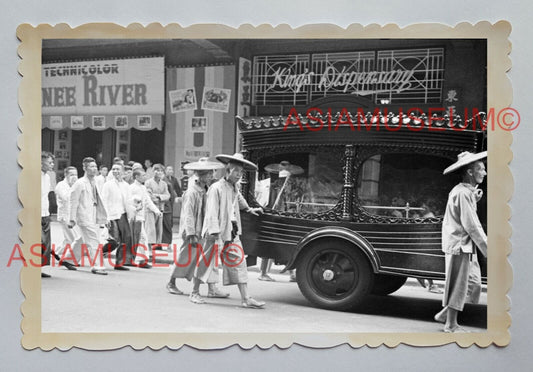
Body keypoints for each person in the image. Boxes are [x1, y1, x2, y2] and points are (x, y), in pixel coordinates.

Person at [199, 152, 266, 308]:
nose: (239, 175)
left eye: (241, 172)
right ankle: (195, 292)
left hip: (232, 229)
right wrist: (215, 232)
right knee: (207, 263)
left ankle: (246, 298)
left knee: (239, 261)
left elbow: (239, 200)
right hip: (216, 231)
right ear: (228, 171)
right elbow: (211, 212)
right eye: (236, 171)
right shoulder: (216, 188)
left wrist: (249, 209)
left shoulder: (234, 187)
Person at [434, 151, 488, 333]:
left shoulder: (465, 192)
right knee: (460, 284)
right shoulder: (463, 193)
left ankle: (445, 314)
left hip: (463, 244)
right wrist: (489, 249)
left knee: (473, 284)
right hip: (460, 244)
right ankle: (451, 324)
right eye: (481, 169)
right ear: (470, 172)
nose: (484, 173)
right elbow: (472, 225)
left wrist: (475, 198)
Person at [166, 158, 229, 303]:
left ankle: (211, 287)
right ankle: (171, 282)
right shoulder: (192, 192)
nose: (211, 177)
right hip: (193, 231)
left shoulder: (206, 189)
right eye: (208, 175)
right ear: (201, 175)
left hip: (203, 229)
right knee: (185, 257)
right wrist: (191, 234)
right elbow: (188, 215)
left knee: (203, 259)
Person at [68, 157, 108, 275]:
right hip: (83, 215)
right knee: (93, 239)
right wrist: (72, 219)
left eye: (95, 166)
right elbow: (73, 201)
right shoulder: (80, 183)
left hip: (93, 214)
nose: (94, 169)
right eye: (91, 167)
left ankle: (68, 259)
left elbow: (99, 200)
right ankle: (97, 266)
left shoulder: (95, 182)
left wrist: (105, 217)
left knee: (82, 239)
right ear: (84, 168)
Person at [102, 163, 134, 269]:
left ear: (123, 172)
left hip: (123, 214)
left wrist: (132, 213)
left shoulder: (126, 186)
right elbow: (104, 201)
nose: (115, 171)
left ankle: (119, 263)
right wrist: (105, 217)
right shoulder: (108, 184)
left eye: (118, 169)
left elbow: (129, 201)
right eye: (113, 169)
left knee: (126, 239)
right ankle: (100, 252)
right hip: (112, 215)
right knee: (114, 240)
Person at [129, 168, 162, 268]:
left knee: (140, 238)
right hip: (134, 217)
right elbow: (129, 201)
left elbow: (147, 201)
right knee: (140, 238)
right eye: (143, 175)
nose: (145, 177)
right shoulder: (132, 188)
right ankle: (140, 260)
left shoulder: (143, 188)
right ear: (136, 177)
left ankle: (138, 259)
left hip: (141, 217)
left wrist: (156, 211)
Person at [54, 166, 82, 265]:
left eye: (76, 175)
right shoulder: (61, 185)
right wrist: (74, 188)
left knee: (68, 238)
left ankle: (56, 252)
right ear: (66, 175)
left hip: (72, 215)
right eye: (72, 175)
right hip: (64, 215)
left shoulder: (75, 185)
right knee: (73, 238)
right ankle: (69, 260)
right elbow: (67, 198)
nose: (74, 177)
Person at [145, 164, 170, 252]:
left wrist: (159, 196)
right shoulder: (148, 182)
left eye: (161, 171)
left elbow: (167, 195)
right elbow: (149, 196)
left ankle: (153, 248)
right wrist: (158, 198)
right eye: (156, 170)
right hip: (150, 209)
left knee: (158, 229)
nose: (158, 172)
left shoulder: (164, 184)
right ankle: (148, 249)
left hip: (160, 208)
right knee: (150, 229)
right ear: (153, 171)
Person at [40, 152, 54, 277]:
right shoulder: (34, 176)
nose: (52, 165)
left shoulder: (48, 177)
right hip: (35, 212)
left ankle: (39, 268)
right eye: (49, 162)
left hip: (45, 212)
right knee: (37, 241)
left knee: (45, 242)